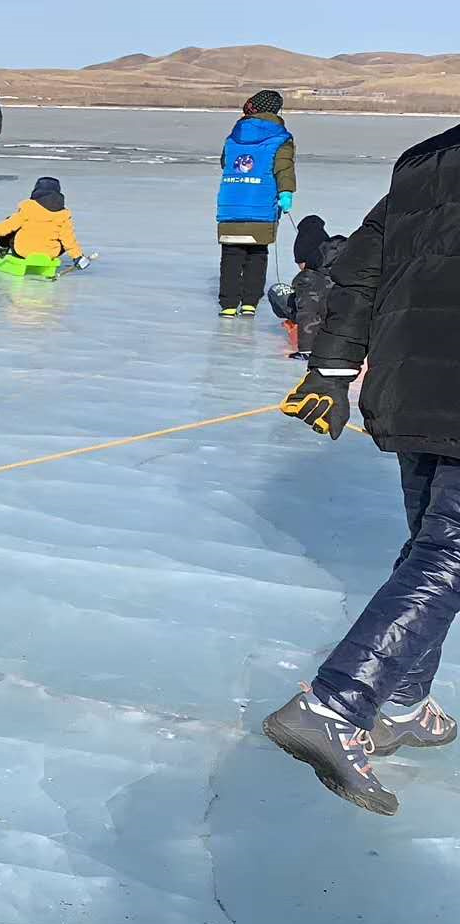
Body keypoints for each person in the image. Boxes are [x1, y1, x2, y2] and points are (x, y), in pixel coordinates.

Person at [264, 121, 460, 816]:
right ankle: (338, 703)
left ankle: (402, 703)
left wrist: (332, 368)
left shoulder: (425, 161)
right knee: (449, 556)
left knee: (429, 552)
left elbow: (358, 270)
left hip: (412, 387)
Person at [216, 89, 296, 317]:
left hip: (231, 203)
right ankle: (250, 301)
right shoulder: (281, 137)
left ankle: (229, 304)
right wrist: (286, 192)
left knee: (231, 255)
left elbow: (225, 163)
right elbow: (284, 168)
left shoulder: (233, 135)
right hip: (261, 205)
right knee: (257, 253)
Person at [0, 176, 89, 274]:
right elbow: (69, 240)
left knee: (11, 222)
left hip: (23, 251)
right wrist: (78, 257)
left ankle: (2, 250)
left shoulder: (28, 208)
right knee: (62, 235)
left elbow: (7, 226)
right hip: (49, 253)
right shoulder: (63, 214)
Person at [266, 214, 344, 356]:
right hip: (352, 315)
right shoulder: (347, 259)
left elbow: (308, 311)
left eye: (299, 263)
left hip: (326, 321)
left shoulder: (308, 278)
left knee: (276, 291)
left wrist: (306, 350)